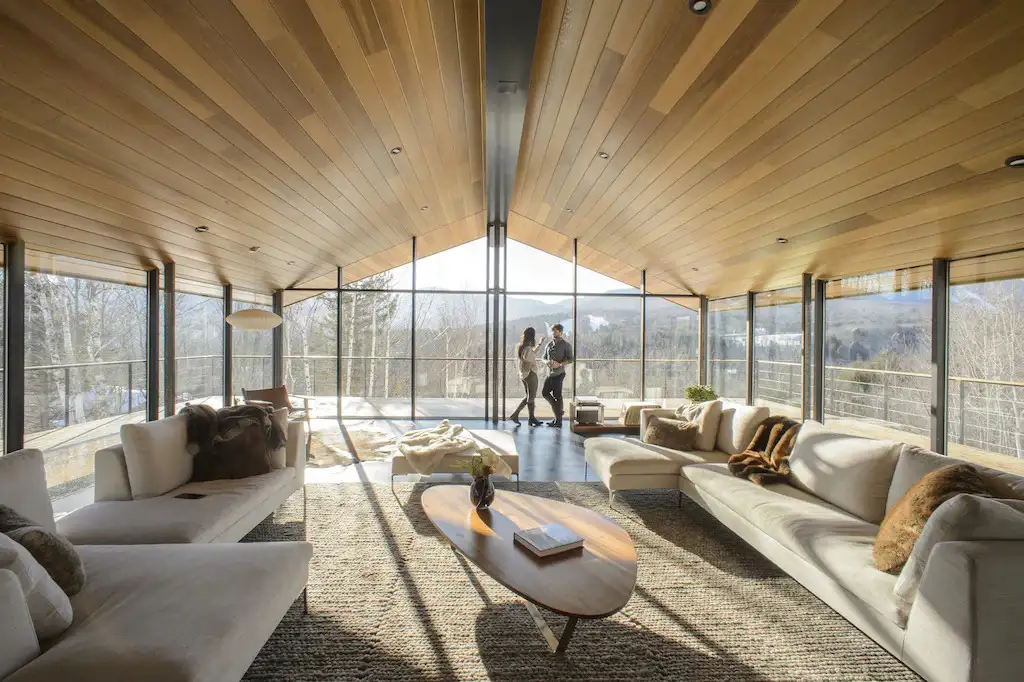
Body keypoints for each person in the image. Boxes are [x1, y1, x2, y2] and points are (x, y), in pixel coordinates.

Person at [510, 327, 544, 427]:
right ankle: (530, 418)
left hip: (523, 375)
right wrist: (532, 365)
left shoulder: (521, 347)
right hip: (530, 374)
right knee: (531, 397)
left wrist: (539, 344)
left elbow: (530, 354)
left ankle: (520, 416)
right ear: (532, 336)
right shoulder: (528, 348)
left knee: (529, 397)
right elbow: (529, 357)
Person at [541, 323, 573, 427]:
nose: (553, 333)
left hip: (559, 374)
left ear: (560, 332)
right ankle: (559, 413)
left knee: (557, 395)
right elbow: (543, 358)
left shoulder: (566, 345)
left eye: (555, 331)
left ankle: (558, 420)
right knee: (545, 393)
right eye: (552, 331)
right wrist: (547, 362)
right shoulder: (549, 345)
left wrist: (559, 364)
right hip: (549, 374)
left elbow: (571, 359)